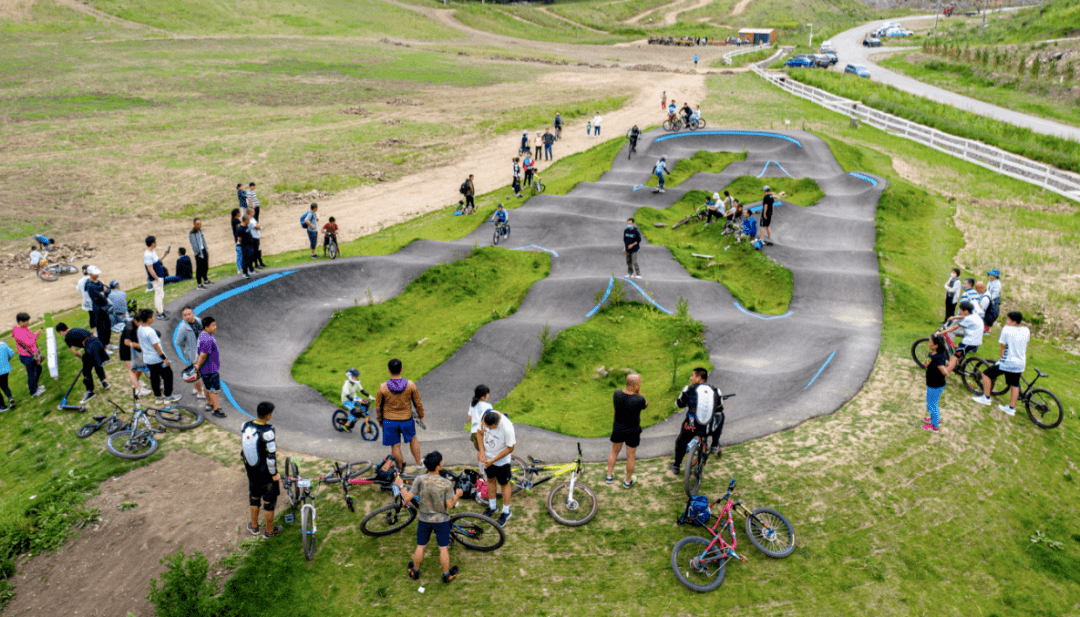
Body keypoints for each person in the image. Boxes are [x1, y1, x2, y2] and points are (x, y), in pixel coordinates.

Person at [394, 451, 462, 585]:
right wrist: (458, 495)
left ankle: (415, 571)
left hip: (424, 519)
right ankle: (446, 576)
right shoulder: (446, 483)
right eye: (441, 461)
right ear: (438, 466)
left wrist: (401, 485)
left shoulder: (419, 479)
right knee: (443, 549)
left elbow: (407, 498)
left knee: (420, 546)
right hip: (441, 520)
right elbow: (449, 505)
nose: (442, 463)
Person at [972, 311, 1030, 416]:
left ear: (1013, 322)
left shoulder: (1007, 329)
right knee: (1014, 385)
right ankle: (1011, 408)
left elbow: (1003, 346)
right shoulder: (1026, 330)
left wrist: (1001, 359)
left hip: (1008, 361)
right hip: (1020, 362)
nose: (1006, 321)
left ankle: (986, 397)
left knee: (986, 374)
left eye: (1008, 320)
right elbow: (1025, 346)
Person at [670, 367, 724, 475]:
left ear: (699, 377)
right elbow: (720, 409)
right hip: (709, 428)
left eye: (692, 376)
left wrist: (688, 402)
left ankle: (676, 465)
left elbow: (679, 404)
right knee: (721, 416)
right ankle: (714, 445)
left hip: (691, 427)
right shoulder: (716, 391)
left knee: (681, 441)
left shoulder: (688, 389)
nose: (690, 378)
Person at [375, 358, 425, 472]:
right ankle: (418, 464)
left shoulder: (383, 387)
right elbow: (418, 402)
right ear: (401, 369)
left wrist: (379, 420)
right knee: (413, 439)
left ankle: (400, 468)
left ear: (389, 371)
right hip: (406, 419)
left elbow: (379, 406)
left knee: (395, 446)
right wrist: (421, 414)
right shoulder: (410, 385)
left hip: (389, 420)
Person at [242, 401, 282, 539]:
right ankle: (269, 532)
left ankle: (254, 527)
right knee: (268, 503)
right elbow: (271, 458)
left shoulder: (245, 426)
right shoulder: (268, 432)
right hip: (266, 475)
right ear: (268, 416)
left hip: (252, 473)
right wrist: (275, 474)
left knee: (254, 499)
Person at [607, 373, 647, 488]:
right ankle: (628, 481)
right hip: (632, 431)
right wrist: (638, 391)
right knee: (630, 456)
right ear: (634, 385)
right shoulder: (639, 399)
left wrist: (635, 389)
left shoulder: (616, 393)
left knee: (614, 452)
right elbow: (646, 404)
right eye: (639, 383)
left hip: (618, 428)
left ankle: (609, 476)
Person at [55, 322, 110, 405]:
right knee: (96, 364)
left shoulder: (67, 337)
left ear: (61, 332)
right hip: (97, 342)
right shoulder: (77, 329)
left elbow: (75, 352)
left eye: (60, 333)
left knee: (86, 371)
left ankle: (90, 392)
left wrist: (83, 358)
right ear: (68, 326)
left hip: (90, 346)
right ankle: (104, 382)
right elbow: (92, 336)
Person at [477, 410, 516, 526]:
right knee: (490, 480)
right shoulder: (486, 417)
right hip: (488, 458)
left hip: (502, 461)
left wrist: (493, 460)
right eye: (487, 426)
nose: (488, 428)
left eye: (491, 427)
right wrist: (482, 451)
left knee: (504, 484)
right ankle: (493, 507)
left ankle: (506, 511)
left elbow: (510, 448)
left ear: (497, 423)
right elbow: (479, 433)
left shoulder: (507, 427)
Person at [136, 309, 181, 405]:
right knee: (168, 376)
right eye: (152, 316)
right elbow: (156, 347)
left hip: (148, 358)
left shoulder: (140, 328)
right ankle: (168, 396)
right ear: (148, 319)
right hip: (157, 359)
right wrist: (165, 359)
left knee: (154, 377)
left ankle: (158, 397)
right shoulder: (150, 332)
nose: (154, 318)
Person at [194, 316, 226, 418]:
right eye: (213, 325)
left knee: (207, 387)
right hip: (211, 369)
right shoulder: (208, 339)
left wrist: (197, 364)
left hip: (205, 369)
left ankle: (209, 404)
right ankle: (216, 409)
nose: (215, 327)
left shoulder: (202, 335)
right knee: (214, 390)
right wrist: (198, 365)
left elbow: (198, 351)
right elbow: (203, 355)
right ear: (206, 327)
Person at [938, 301, 982, 374]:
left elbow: (954, 327)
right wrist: (954, 317)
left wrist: (941, 332)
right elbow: (963, 316)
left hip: (969, 342)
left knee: (953, 359)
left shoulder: (968, 319)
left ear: (966, 311)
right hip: (976, 341)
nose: (959, 311)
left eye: (960, 310)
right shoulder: (973, 314)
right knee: (958, 348)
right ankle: (958, 366)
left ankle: (942, 377)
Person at [12, 313, 46, 399]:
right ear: (20, 322)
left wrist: (35, 334)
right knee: (32, 374)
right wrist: (36, 334)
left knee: (38, 368)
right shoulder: (18, 332)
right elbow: (29, 343)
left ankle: (35, 386)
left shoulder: (23, 327)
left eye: (28, 320)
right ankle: (33, 392)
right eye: (26, 321)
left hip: (33, 353)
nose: (28, 322)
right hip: (27, 356)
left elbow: (30, 337)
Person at [119, 311, 151, 398]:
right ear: (136, 321)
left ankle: (136, 382)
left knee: (139, 366)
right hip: (126, 350)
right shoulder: (129, 327)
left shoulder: (138, 325)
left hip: (135, 349)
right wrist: (140, 346)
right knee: (131, 370)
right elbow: (127, 342)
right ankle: (139, 389)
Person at [176, 307, 205, 402]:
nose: (188, 316)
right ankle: (200, 393)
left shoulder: (198, 320)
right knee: (196, 373)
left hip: (201, 350)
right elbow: (178, 342)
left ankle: (196, 388)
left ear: (193, 313)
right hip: (192, 353)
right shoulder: (183, 328)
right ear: (182, 316)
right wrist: (189, 347)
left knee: (197, 371)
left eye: (189, 314)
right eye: (185, 315)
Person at [922, 333, 949, 433]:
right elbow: (946, 362)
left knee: (931, 405)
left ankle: (934, 426)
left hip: (935, 385)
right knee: (933, 403)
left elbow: (945, 371)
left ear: (936, 345)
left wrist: (944, 372)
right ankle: (935, 419)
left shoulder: (937, 358)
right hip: (933, 384)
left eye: (930, 342)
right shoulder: (938, 353)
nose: (929, 344)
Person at [84, 266, 113, 348]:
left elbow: (108, 289)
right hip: (99, 309)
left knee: (107, 326)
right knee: (101, 328)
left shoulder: (98, 281)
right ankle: (104, 346)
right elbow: (100, 296)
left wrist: (104, 291)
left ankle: (107, 343)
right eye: (95, 273)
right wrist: (104, 291)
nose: (97, 275)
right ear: (90, 274)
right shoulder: (90, 285)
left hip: (105, 307)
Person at [143, 236, 169, 320]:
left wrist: (164, 255)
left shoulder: (152, 251)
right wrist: (157, 279)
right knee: (158, 294)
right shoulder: (147, 254)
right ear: (152, 243)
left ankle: (160, 309)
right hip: (156, 277)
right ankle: (160, 313)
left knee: (160, 294)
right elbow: (150, 268)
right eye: (155, 242)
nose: (156, 243)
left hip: (159, 276)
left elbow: (157, 261)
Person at [340, 367, 372, 432]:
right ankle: (346, 425)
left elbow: (362, 390)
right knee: (354, 412)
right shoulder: (346, 385)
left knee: (366, 403)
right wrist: (355, 400)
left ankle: (359, 413)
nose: (356, 378)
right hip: (347, 401)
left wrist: (370, 396)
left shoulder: (356, 383)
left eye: (356, 377)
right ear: (350, 377)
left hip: (355, 398)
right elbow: (348, 396)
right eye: (355, 377)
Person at [468, 384, 493, 458]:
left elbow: (469, 418)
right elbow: (491, 419)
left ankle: (481, 469)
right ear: (483, 396)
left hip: (473, 432)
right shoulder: (488, 406)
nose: (488, 395)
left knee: (480, 451)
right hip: (483, 432)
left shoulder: (472, 404)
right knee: (486, 452)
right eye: (487, 393)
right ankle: (486, 468)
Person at [189, 218, 211, 289]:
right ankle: (199, 283)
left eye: (200, 224)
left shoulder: (200, 231)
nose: (199, 225)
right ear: (194, 224)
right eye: (197, 224)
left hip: (203, 250)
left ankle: (205, 279)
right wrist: (197, 253)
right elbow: (194, 244)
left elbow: (203, 240)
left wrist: (206, 249)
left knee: (205, 266)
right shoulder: (192, 233)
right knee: (199, 268)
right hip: (198, 253)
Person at [0, 339, 17, 412]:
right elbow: (12, 353)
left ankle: (3, 407)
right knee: (4, 385)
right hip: (5, 370)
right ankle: (10, 398)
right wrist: (7, 360)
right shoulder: (3, 344)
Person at [231, 208, 243, 275]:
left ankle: (240, 268)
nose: (240, 213)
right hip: (239, 240)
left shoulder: (233, 220)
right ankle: (239, 268)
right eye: (239, 212)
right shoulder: (236, 221)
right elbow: (240, 230)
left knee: (240, 254)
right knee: (240, 254)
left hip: (237, 239)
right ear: (237, 213)